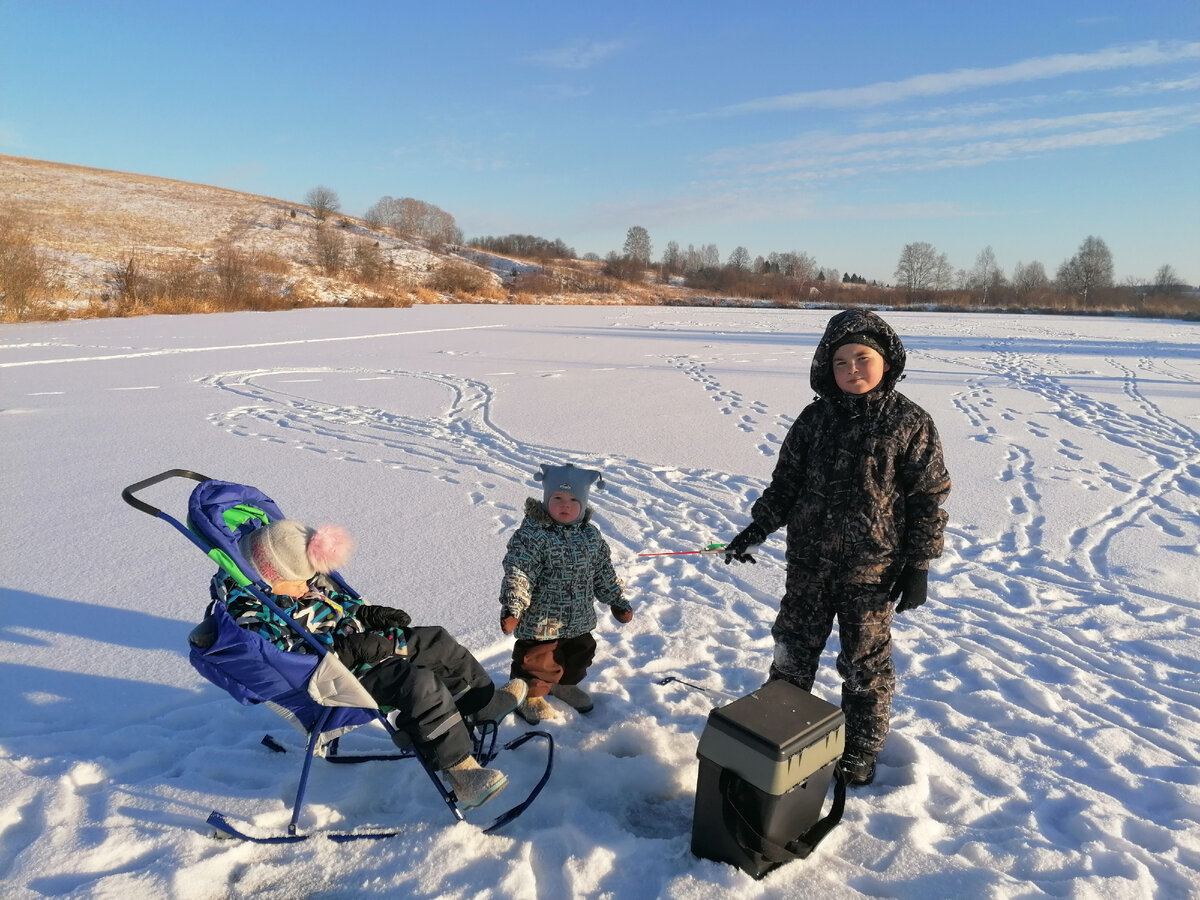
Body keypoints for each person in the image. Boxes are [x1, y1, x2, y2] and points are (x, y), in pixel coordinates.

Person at [723, 309, 951, 787]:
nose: (851, 369)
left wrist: (918, 564)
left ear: (886, 361)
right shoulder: (813, 419)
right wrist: (757, 528)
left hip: (871, 573)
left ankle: (861, 748)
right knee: (792, 652)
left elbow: (929, 497)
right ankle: (780, 734)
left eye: (862, 358)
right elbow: (785, 484)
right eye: (841, 361)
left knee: (865, 665)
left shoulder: (911, 422)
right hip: (808, 566)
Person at [217, 519, 528, 810]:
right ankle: (460, 772)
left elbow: (333, 601)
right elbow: (288, 658)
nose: (308, 587)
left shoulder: (298, 584)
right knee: (418, 684)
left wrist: (366, 615)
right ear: (269, 577)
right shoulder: (254, 615)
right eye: (301, 582)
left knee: (435, 640)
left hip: (365, 648)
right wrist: (349, 650)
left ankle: (482, 704)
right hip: (336, 678)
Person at [498, 463, 633, 724]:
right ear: (546, 499)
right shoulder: (533, 536)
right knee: (537, 660)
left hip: (579, 619)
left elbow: (603, 571)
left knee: (580, 653)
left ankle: (565, 685)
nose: (565, 505)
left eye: (573, 500)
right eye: (558, 498)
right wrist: (514, 608)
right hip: (541, 621)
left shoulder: (591, 536)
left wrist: (617, 600)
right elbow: (519, 573)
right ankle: (530, 695)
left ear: (583, 504)